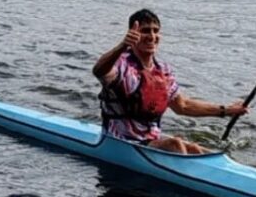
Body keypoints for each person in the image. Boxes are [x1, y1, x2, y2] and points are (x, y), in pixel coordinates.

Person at [92, 8, 247, 154]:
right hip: (118, 142)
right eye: (145, 31)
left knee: (196, 149)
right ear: (133, 34)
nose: (152, 36)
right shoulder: (121, 64)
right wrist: (122, 46)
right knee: (175, 145)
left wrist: (227, 110)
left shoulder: (163, 70)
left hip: (149, 141)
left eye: (155, 30)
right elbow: (99, 70)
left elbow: (183, 106)